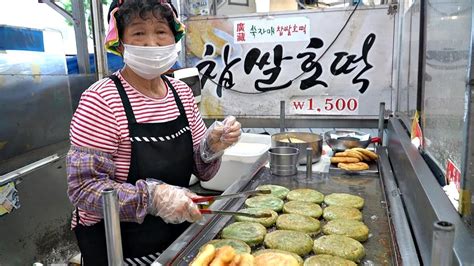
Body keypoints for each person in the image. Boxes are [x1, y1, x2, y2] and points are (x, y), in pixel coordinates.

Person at [66, 0, 242, 264]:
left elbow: (202, 172)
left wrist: (211, 148)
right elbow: (84, 189)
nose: (152, 43)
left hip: (176, 238)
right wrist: (153, 198)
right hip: (117, 246)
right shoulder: (101, 100)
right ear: (120, 43)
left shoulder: (181, 93)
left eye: (161, 31)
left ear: (174, 37)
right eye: (138, 33)